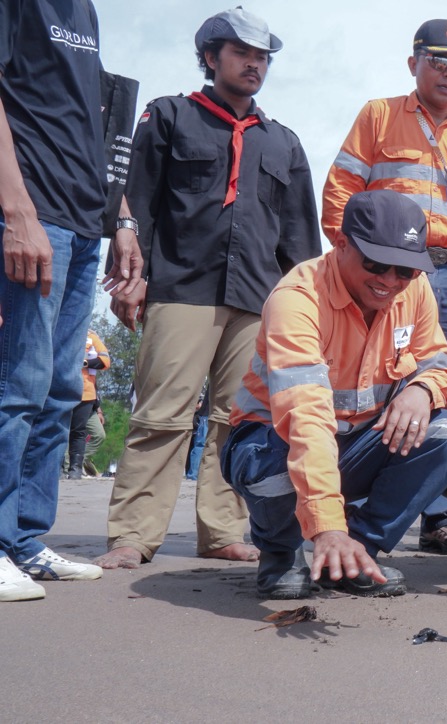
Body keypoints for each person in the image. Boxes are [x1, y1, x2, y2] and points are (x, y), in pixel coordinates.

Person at [96, 7, 322, 570]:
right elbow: (137, 203)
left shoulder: (284, 144)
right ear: (210, 56)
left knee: (236, 418)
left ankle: (222, 530)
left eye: (263, 56)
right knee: (161, 415)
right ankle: (133, 534)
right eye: (243, 53)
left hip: (259, 299)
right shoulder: (169, 116)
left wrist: (310, 309)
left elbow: (300, 238)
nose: (254, 64)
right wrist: (130, 278)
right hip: (180, 288)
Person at [223, 190, 447, 599]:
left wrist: (423, 390)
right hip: (273, 442)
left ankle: (359, 553)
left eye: (405, 270)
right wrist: (327, 525)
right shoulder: (297, 299)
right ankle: (281, 553)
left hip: (359, 444)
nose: (390, 281)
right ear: (340, 243)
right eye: (376, 264)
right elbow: (306, 419)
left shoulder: (416, 290)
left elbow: (437, 365)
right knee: (271, 470)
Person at [322, 18, 447, 556]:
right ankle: (355, 490)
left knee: (446, 382)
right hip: (389, 269)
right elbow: (341, 191)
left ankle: (442, 513)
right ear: (413, 63)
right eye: (440, 61)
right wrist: (354, 263)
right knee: (386, 375)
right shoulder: (379, 115)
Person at [1, 0, 121, 601]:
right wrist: (16, 210)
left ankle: (24, 540)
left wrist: (119, 218)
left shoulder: (87, 12)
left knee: (59, 391)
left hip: (83, 219)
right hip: (34, 211)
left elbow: (91, 124)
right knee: (17, 384)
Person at [67, 329, 111, 480]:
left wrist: (83, 362)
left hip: (86, 394)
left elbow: (105, 361)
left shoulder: (91, 337)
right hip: (61, 390)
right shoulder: (59, 329)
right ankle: (60, 468)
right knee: (60, 431)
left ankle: (75, 469)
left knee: (79, 433)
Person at [185, 390, 210, 481]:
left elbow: (207, 398)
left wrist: (200, 414)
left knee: (200, 445)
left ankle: (193, 474)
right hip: (221, 416)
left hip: (206, 416)